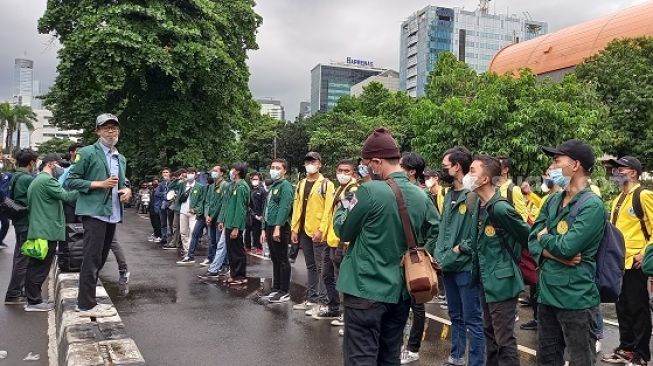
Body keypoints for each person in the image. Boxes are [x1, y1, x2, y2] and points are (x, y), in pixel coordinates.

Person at [335, 128, 439, 365]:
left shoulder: (368, 191)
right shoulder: (422, 196)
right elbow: (435, 230)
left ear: (376, 162)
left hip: (364, 289)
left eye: (366, 164)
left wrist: (342, 207)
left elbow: (344, 229)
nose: (365, 169)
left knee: (361, 357)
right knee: (390, 356)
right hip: (400, 291)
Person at [529, 139, 604, 366]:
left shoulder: (592, 205)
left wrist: (545, 238)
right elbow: (532, 238)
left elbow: (568, 247)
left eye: (556, 160)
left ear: (575, 165)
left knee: (581, 359)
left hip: (576, 298)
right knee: (547, 358)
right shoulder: (552, 200)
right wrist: (549, 251)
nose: (551, 168)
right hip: (547, 293)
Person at [465, 155, 530, 366]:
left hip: (502, 281)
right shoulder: (479, 205)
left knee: (504, 339)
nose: (468, 175)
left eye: (472, 171)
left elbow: (527, 237)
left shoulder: (500, 208)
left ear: (485, 179)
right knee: (490, 333)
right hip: (486, 279)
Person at [65, 113, 131, 317]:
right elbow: (71, 181)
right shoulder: (86, 153)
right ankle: (85, 305)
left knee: (100, 259)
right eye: (106, 128)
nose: (111, 131)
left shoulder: (120, 157)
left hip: (111, 213)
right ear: (98, 131)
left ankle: (90, 300)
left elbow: (123, 182)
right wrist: (99, 184)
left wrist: (127, 190)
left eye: (114, 128)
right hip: (94, 212)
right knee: (91, 258)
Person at [425, 146, 485, 366]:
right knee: (455, 316)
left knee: (473, 319)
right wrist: (439, 254)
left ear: (457, 166)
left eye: (445, 167)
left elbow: (478, 233)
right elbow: (443, 229)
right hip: (448, 265)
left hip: (465, 267)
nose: (442, 171)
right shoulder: (449, 194)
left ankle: (476, 361)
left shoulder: (474, 196)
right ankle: (457, 356)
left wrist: (461, 249)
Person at [601, 156, 652, 366]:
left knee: (638, 309)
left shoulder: (643, 195)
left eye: (620, 169)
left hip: (636, 263)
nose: (616, 173)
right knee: (622, 308)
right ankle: (626, 348)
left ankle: (641, 355)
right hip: (619, 262)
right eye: (615, 169)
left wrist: (645, 252)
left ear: (633, 172)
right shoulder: (618, 199)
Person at [24, 154, 79, 311]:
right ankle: (33, 302)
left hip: (41, 229)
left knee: (36, 265)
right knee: (39, 267)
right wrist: (84, 187)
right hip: (46, 231)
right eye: (59, 165)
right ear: (51, 164)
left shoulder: (38, 180)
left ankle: (34, 299)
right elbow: (66, 196)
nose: (61, 169)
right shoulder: (47, 181)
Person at [313, 159, 358, 321]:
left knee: (343, 280)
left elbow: (348, 215)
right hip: (330, 240)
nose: (343, 174)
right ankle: (333, 307)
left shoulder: (353, 190)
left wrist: (343, 243)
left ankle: (348, 315)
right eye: (340, 170)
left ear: (353, 173)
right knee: (326, 275)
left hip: (341, 243)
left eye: (347, 171)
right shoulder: (339, 188)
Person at [290, 152, 335, 316]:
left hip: (317, 232)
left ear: (319, 164)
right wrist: (294, 228)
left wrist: (322, 229)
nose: (310, 164)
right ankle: (311, 299)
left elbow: (328, 210)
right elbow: (297, 207)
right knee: (310, 266)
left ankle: (323, 303)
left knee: (322, 267)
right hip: (304, 230)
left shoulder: (326, 184)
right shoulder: (301, 183)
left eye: (313, 161)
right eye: (307, 161)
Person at [399, 152, 428, 365]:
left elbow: (434, 227)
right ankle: (400, 344)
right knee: (401, 302)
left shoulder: (419, 195)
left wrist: (426, 253)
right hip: (399, 257)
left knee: (417, 303)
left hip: (414, 257)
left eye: (401, 166)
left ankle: (413, 347)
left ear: (411, 172)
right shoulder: (396, 190)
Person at [4, 148, 39, 305]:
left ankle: (17, 291)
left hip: (19, 221)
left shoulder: (15, 175)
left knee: (21, 257)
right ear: (32, 162)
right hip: (26, 221)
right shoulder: (27, 178)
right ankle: (14, 294)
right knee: (23, 259)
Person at [260, 159, 294, 303]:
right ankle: (276, 288)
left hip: (279, 227)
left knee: (282, 259)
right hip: (269, 225)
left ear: (284, 170)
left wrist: (278, 227)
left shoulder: (285, 186)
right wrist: (263, 229)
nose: (274, 170)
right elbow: (266, 208)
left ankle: (284, 291)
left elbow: (284, 208)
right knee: (274, 258)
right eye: (272, 167)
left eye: (277, 168)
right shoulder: (274, 185)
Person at [223, 163, 250, 285]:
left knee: (237, 251)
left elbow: (240, 209)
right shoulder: (234, 185)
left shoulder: (242, 187)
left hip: (235, 225)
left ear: (238, 171)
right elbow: (229, 206)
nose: (231, 171)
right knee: (231, 251)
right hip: (229, 223)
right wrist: (224, 221)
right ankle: (234, 274)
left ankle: (240, 276)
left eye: (233, 169)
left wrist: (236, 227)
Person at [176, 167, 204, 262]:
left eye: (192, 173)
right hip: (183, 211)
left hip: (193, 213)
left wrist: (196, 209)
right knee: (183, 232)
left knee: (192, 231)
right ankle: (186, 250)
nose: (190, 174)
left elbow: (202, 200)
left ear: (196, 175)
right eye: (188, 173)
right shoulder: (183, 184)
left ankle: (190, 253)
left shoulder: (200, 187)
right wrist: (179, 178)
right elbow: (172, 186)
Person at [202, 165, 228, 266]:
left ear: (221, 173)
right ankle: (212, 260)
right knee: (211, 240)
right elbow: (207, 201)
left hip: (219, 219)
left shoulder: (225, 185)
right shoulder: (211, 186)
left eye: (216, 171)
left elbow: (221, 203)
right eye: (213, 171)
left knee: (219, 242)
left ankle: (224, 264)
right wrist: (206, 215)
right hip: (210, 218)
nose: (213, 172)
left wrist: (212, 216)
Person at [496, 156, 528, 222]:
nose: (494, 168)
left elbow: (523, 214)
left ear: (505, 170)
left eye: (497, 166)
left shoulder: (513, 189)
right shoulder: (491, 187)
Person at [164, 169, 186, 251]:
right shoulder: (180, 183)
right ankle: (174, 242)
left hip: (185, 209)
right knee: (175, 226)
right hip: (178, 208)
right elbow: (170, 186)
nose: (184, 177)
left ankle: (181, 243)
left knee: (184, 228)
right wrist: (177, 179)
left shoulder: (188, 184)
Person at [245, 172, 267, 255]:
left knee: (256, 232)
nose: (254, 181)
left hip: (258, 215)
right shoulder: (249, 189)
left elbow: (264, 204)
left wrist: (261, 215)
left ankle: (259, 248)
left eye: (256, 179)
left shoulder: (262, 191)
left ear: (259, 180)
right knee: (247, 232)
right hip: (249, 214)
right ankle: (247, 247)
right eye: (252, 179)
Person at [154, 168, 171, 246]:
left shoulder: (172, 182)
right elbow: (157, 193)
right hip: (162, 205)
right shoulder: (161, 184)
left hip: (171, 205)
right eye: (163, 172)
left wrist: (168, 195)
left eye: (166, 172)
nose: (165, 174)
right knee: (163, 222)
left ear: (169, 173)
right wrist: (165, 195)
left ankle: (171, 239)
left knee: (171, 223)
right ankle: (164, 238)